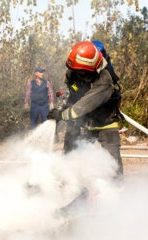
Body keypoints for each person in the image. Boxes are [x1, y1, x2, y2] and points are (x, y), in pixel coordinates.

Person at [47, 41, 123, 177]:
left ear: (91, 69)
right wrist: (59, 110)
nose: (78, 73)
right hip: (82, 122)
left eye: (81, 71)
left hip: (105, 122)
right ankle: (69, 184)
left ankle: (116, 189)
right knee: (70, 155)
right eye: (76, 70)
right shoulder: (72, 73)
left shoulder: (104, 80)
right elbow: (70, 94)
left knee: (113, 161)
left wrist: (63, 115)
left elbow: (84, 105)